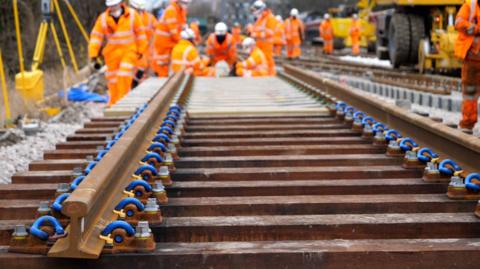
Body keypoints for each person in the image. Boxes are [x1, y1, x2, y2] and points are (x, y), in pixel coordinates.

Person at [89, 0, 147, 106]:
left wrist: (141, 50)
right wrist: (93, 54)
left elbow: (140, 34)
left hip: (129, 51)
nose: (113, 8)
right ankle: (114, 103)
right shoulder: (103, 19)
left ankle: (123, 101)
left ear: (120, 3)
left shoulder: (132, 15)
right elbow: (96, 36)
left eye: (115, 5)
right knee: (113, 80)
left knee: (123, 74)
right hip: (111, 54)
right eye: (111, 6)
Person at [454, 0, 480, 134]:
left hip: (473, 59)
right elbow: (458, 22)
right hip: (472, 59)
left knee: (470, 92)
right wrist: (475, 28)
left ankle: (467, 124)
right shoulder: (470, 6)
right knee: (470, 92)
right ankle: (468, 123)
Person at [153, 0, 189, 77]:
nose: (185, 5)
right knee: (162, 63)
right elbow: (173, 30)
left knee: (169, 62)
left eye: (186, 3)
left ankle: (165, 77)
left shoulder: (181, 11)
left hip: (171, 41)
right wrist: (182, 41)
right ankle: (161, 78)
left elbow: (182, 25)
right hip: (163, 41)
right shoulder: (171, 10)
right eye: (184, 3)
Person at [130, 0, 157, 80]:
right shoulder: (128, 18)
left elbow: (158, 30)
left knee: (143, 70)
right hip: (136, 50)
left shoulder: (149, 18)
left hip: (145, 50)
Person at [251, 0, 277, 75]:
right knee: (261, 60)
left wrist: (256, 34)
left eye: (255, 9)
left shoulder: (270, 18)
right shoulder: (260, 18)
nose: (254, 11)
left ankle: (271, 75)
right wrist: (251, 31)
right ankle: (264, 74)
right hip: (260, 44)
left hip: (267, 44)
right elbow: (256, 29)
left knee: (267, 60)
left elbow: (270, 33)